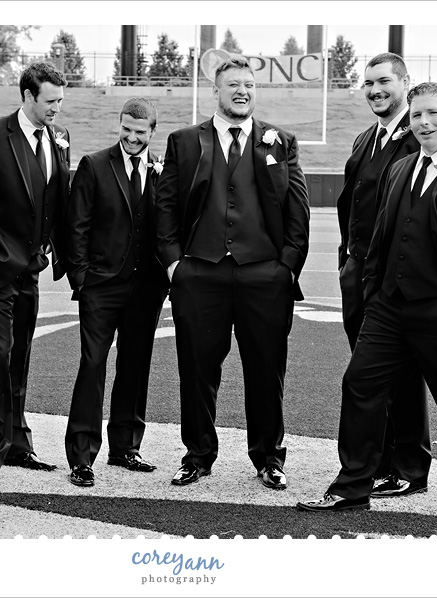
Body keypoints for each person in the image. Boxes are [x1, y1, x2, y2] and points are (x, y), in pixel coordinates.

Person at [297, 82, 437, 527]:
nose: (424, 122)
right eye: (416, 115)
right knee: (360, 386)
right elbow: (383, 238)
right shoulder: (400, 169)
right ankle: (352, 488)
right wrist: (375, 292)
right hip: (389, 310)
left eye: (432, 113)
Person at [155, 57, 310, 490]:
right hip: (200, 274)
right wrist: (174, 266)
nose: (242, 91)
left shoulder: (281, 142)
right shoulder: (185, 141)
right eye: (233, 85)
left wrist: (286, 268)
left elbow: (298, 211)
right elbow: (165, 208)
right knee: (197, 370)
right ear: (216, 92)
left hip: (264, 276)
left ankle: (269, 458)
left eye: (248, 84)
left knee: (266, 372)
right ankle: (198, 455)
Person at [0, 62, 71, 490]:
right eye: (50, 101)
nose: (57, 108)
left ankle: (18, 445)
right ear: (27, 97)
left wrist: (59, 256)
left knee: (20, 356)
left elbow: (57, 203)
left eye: (61, 100)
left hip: (32, 271)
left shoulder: (60, 139)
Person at [336, 53, 431, 499]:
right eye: (369, 83)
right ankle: (384, 462)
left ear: (405, 83)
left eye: (385, 82)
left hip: (393, 282)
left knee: (400, 376)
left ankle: (407, 466)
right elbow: (349, 205)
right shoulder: (364, 139)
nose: (376, 90)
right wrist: (346, 259)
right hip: (358, 273)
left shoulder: (418, 142)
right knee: (373, 376)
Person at [63, 98, 169, 487]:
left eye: (140, 132)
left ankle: (125, 447)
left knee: (135, 365)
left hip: (147, 288)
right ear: (119, 125)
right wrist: (82, 280)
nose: (132, 138)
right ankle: (81, 456)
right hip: (101, 287)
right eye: (126, 129)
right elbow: (76, 226)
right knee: (92, 364)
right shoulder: (94, 165)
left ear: (152, 132)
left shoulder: (163, 169)